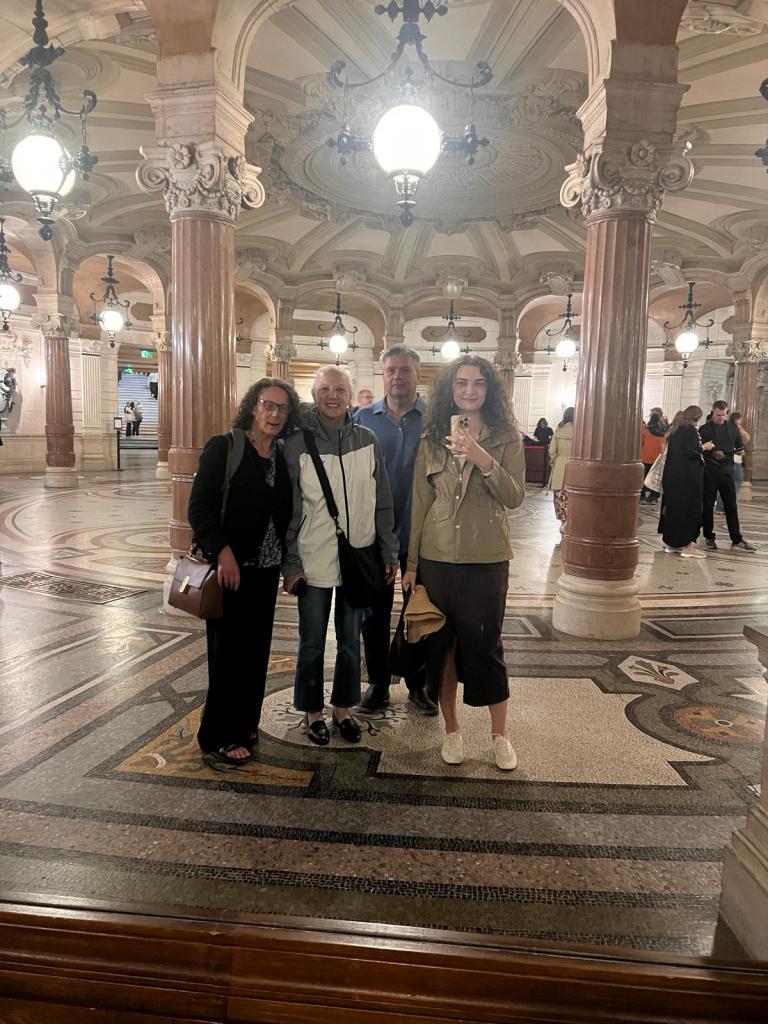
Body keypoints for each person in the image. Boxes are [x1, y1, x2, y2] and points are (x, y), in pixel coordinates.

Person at [402, 356, 526, 771]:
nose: (469, 391)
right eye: (461, 383)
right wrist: (412, 563)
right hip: (438, 560)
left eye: (477, 384)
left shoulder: (507, 437)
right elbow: (420, 503)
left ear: (489, 390)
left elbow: (514, 496)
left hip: (487, 558)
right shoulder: (433, 437)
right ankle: (451, 732)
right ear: (450, 390)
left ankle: (500, 737)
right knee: (443, 648)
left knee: (487, 646)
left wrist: (480, 457)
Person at [282, 366, 398, 746]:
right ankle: (312, 711)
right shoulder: (297, 443)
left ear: (350, 395)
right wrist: (291, 562)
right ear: (314, 393)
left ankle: (343, 708)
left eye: (340, 389)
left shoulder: (367, 440)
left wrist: (388, 550)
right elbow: (290, 509)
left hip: (358, 559)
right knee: (312, 640)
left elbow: (382, 502)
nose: (333, 396)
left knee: (350, 640)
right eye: (325, 389)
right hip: (313, 558)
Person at [187, 377, 299, 764]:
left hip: (266, 570)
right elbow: (198, 509)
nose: (275, 414)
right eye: (269, 405)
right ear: (253, 406)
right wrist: (223, 553)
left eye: (283, 408)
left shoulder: (282, 454)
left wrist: (288, 563)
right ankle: (218, 733)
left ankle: (246, 723)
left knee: (256, 652)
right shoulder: (226, 447)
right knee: (227, 655)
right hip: (231, 570)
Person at [354, 344, 435, 715]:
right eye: (390, 371)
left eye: (404, 370)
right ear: (382, 375)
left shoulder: (435, 420)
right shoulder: (362, 419)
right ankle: (379, 683)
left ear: (417, 375)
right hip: (375, 535)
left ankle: (418, 684)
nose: (396, 377)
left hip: (423, 534)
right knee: (374, 614)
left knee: (417, 612)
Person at [699, 400, 756, 552]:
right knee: (708, 506)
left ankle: (736, 539)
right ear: (713, 412)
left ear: (726, 413)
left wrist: (738, 451)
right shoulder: (704, 429)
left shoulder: (732, 427)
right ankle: (709, 537)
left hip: (727, 472)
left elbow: (740, 448)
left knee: (731, 506)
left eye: (723, 415)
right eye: (718, 415)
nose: (720, 418)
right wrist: (711, 452)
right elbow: (698, 451)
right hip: (709, 473)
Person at [658, 404, 711, 558]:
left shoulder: (674, 431)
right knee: (690, 510)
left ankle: (673, 543)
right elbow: (691, 452)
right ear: (696, 418)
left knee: (674, 510)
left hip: (672, 478)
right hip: (687, 479)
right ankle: (688, 545)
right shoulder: (690, 431)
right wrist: (704, 448)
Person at [716, 411, 749, 512]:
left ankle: (720, 506)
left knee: (724, 484)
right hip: (734, 459)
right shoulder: (736, 429)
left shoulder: (724, 428)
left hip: (726, 460)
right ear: (737, 419)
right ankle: (727, 504)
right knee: (736, 482)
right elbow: (746, 438)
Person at [548, 407, 573, 532]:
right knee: (572, 494)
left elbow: (552, 451)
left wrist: (554, 460)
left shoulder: (558, 431)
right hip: (574, 466)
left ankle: (563, 521)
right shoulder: (581, 432)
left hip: (560, 465)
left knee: (559, 494)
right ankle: (571, 520)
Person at [640, 410, 667, 504]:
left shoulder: (645, 431)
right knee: (655, 479)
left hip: (645, 457)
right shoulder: (663, 433)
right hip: (657, 458)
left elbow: (641, 443)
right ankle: (654, 497)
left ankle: (642, 496)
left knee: (643, 478)